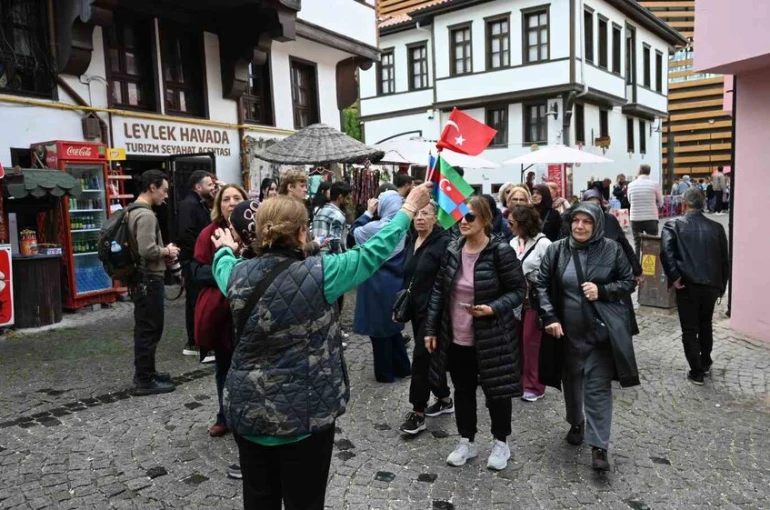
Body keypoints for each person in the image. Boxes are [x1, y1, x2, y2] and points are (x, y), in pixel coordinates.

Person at [211, 183, 434, 510]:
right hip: (306, 415)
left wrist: (223, 248)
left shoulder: (234, 274)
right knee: (306, 501)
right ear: (302, 233)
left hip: (249, 413)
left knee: (258, 500)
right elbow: (373, 252)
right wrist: (409, 208)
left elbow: (222, 264)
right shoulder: (324, 274)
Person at [425, 196, 526, 471]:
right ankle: (466, 441)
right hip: (457, 337)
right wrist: (431, 329)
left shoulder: (500, 252)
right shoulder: (452, 248)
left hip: (492, 336)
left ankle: (501, 443)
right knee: (463, 390)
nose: (463, 222)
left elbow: (519, 291)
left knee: (497, 392)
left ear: (485, 220)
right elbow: (439, 291)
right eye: (460, 216)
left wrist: (492, 308)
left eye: (470, 217)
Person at [536, 203, 639, 472]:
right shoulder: (556, 250)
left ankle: (599, 447)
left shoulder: (611, 249)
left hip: (599, 334)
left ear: (597, 225)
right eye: (576, 221)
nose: (580, 226)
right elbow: (541, 285)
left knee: (597, 387)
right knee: (571, 383)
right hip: (567, 335)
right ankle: (576, 421)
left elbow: (628, 282)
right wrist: (550, 317)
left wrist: (602, 290)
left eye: (587, 222)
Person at [191, 184, 248, 438]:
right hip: (222, 312)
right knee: (224, 367)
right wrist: (227, 264)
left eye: (237, 198)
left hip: (248, 312)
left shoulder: (253, 231)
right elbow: (195, 272)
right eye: (226, 199)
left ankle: (248, 416)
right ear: (219, 205)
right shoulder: (209, 233)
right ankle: (224, 416)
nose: (232, 202)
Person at [660, 188, 729, 386]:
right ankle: (705, 362)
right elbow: (725, 259)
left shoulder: (673, 225)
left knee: (690, 328)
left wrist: (675, 277)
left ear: (684, 204)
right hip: (710, 285)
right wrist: (722, 285)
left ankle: (697, 370)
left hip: (687, 284)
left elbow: (666, 253)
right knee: (705, 323)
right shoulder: (716, 228)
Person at [398, 201, 453, 435]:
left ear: (435, 218)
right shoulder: (412, 239)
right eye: (417, 213)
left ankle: (418, 412)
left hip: (436, 312)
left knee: (420, 359)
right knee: (430, 357)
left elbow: (447, 281)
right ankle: (444, 397)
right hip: (417, 310)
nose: (420, 217)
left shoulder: (444, 244)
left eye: (426, 213)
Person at [128, 170, 180, 396]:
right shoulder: (146, 215)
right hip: (149, 278)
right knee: (150, 329)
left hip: (140, 278)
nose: (166, 196)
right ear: (152, 187)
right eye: (164, 190)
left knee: (145, 328)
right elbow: (147, 250)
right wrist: (167, 250)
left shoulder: (131, 210)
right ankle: (144, 379)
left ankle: (146, 371)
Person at [352, 190, 411, 382]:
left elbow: (353, 234)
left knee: (379, 332)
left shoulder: (376, 227)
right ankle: (402, 367)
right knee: (393, 329)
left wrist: (368, 213)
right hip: (395, 283)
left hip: (376, 285)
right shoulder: (403, 227)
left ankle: (385, 374)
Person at [509, 205, 551, 402]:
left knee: (531, 342)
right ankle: (520, 380)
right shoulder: (512, 242)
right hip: (516, 300)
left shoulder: (544, 244)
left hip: (534, 300)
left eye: (513, 223)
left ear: (524, 224)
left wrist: (531, 278)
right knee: (517, 340)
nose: (509, 226)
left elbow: (551, 274)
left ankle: (535, 385)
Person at [178, 170, 216, 359]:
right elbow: (186, 235)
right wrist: (200, 255)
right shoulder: (189, 205)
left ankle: (198, 341)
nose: (213, 187)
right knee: (195, 301)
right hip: (194, 261)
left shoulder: (201, 203)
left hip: (198, 260)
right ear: (198, 187)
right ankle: (194, 343)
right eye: (209, 185)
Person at [627, 164, 663, 259]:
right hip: (651, 217)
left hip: (635, 218)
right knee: (652, 243)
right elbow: (661, 202)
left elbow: (629, 200)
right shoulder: (654, 184)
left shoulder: (631, 185)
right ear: (649, 172)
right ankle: (651, 268)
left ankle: (637, 268)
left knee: (637, 244)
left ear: (639, 171)